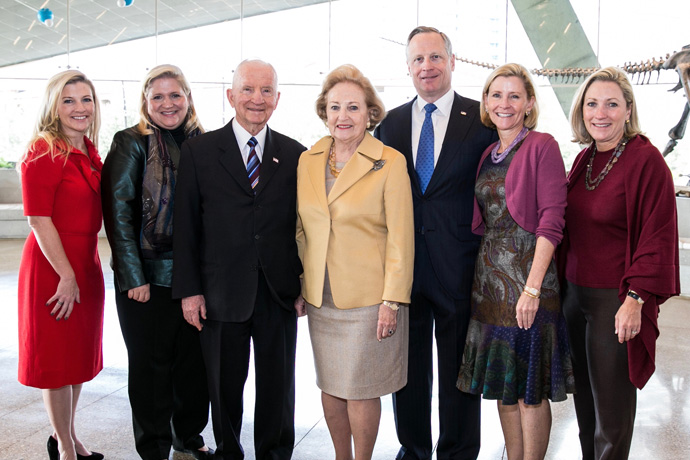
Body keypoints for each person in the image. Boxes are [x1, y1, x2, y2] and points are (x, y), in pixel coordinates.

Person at [172, 59, 305, 460]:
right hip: (219, 292)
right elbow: (186, 228)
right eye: (247, 89)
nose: (256, 99)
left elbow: (303, 228)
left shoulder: (296, 154)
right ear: (231, 95)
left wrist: (302, 285)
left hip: (278, 293)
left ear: (277, 99)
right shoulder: (199, 151)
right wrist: (189, 292)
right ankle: (229, 452)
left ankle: (275, 453)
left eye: (266, 91)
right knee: (224, 387)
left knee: (277, 386)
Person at [374, 26, 498, 460]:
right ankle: (413, 448)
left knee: (458, 370)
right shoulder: (388, 124)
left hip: (459, 266)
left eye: (435, 57)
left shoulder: (480, 120)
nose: (427, 66)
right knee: (407, 370)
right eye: (418, 60)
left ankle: (459, 451)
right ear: (408, 67)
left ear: (451, 61)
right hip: (404, 270)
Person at [455, 63, 575, 460]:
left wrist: (532, 288)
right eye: (496, 95)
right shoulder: (489, 152)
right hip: (489, 283)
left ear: (529, 104)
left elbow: (552, 222)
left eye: (514, 95)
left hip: (529, 282)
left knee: (529, 392)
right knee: (505, 389)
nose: (504, 103)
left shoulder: (542, 146)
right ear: (486, 103)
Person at [295, 64, 414, 460]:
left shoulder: (389, 161)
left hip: (369, 299)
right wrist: (300, 284)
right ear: (324, 112)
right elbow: (300, 229)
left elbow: (401, 237)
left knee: (361, 387)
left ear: (370, 114)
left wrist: (392, 299)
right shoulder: (307, 159)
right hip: (320, 296)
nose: (342, 117)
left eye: (352, 108)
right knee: (330, 384)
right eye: (334, 108)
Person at [561, 67, 680, 460]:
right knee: (584, 410)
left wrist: (635, 298)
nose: (601, 113)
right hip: (574, 299)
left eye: (612, 104)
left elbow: (658, 235)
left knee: (611, 416)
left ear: (628, 110)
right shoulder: (585, 158)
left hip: (615, 301)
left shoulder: (646, 161)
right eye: (592, 104)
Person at [101, 64, 212, 460]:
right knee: (151, 371)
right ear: (146, 103)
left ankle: (189, 437)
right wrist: (133, 277)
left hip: (191, 279)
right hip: (145, 280)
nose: (168, 104)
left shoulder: (203, 142)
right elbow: (118, 213)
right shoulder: (130, 142)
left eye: (175, 95)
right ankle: (153, 449)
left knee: (192, 368)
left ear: (188, 98)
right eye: (158, 97)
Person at [17, 70, 105, 460]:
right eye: (68, 100)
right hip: (55, 266)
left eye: (85, 99)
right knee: (55, 360)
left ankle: (67, 435)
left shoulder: (89, 149)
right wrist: (66, 274)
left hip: (85, 262)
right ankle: (66, 449)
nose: (79, 108)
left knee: (76, 357)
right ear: (54, 106)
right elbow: (38, 219)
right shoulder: (43, 150)